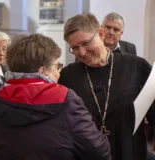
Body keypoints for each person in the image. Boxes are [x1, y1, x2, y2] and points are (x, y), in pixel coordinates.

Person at [0, 33, 111, 160]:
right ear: (43, 71)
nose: (58, 73)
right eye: (56, 66)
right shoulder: (67, 101)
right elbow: (98, 151)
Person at [58, 13, 154, 160]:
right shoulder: (68, 76)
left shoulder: (136, 67)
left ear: (101, 34)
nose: (82, 53)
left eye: (85, 43)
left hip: (130, 152)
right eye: (75, 48)